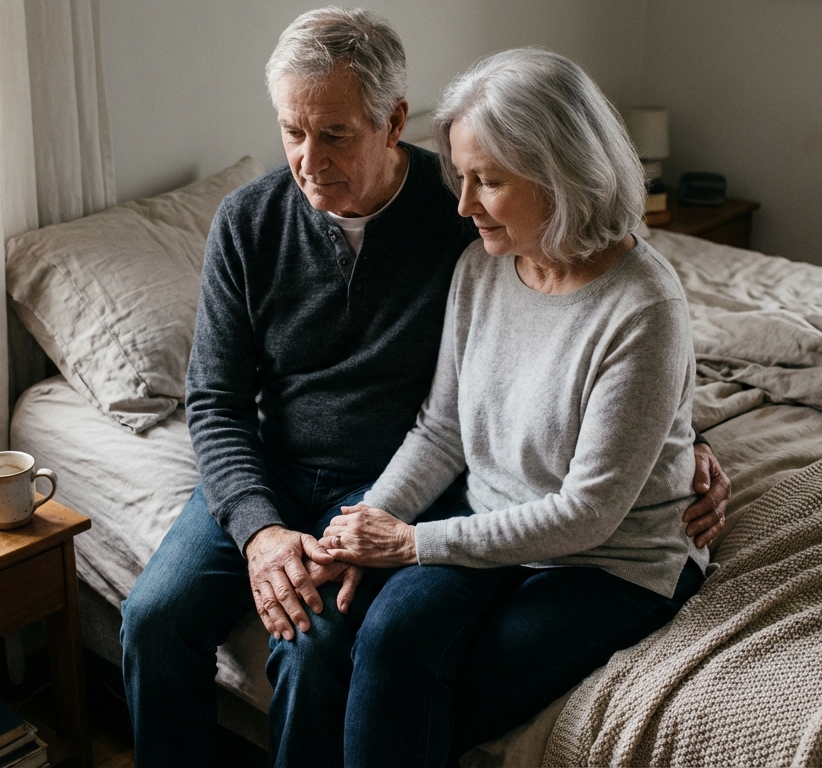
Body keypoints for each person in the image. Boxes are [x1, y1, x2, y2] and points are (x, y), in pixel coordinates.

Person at [119, 10, 730, 767]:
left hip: (404, 485)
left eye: (335, 133)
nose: (309, 160)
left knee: (325, 660)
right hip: (293, 473)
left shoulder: (466, 222)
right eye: (291, 131)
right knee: (152, 620)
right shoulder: (260, 222)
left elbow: (596, 346)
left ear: (392, 121)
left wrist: (686, 438)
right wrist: (261, 530)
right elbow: (215, 402)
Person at [322, 48, 711, 766]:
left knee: (439, 694)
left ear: (564, 177)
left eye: (489, 181)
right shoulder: (481, 267)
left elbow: (587, 514)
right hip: (490, 520)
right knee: (384, 643)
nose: (464, 205)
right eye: (461, 178)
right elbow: (442, 430)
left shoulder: (645, 307)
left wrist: (412, 545)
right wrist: (369, 521)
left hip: (611, 563)